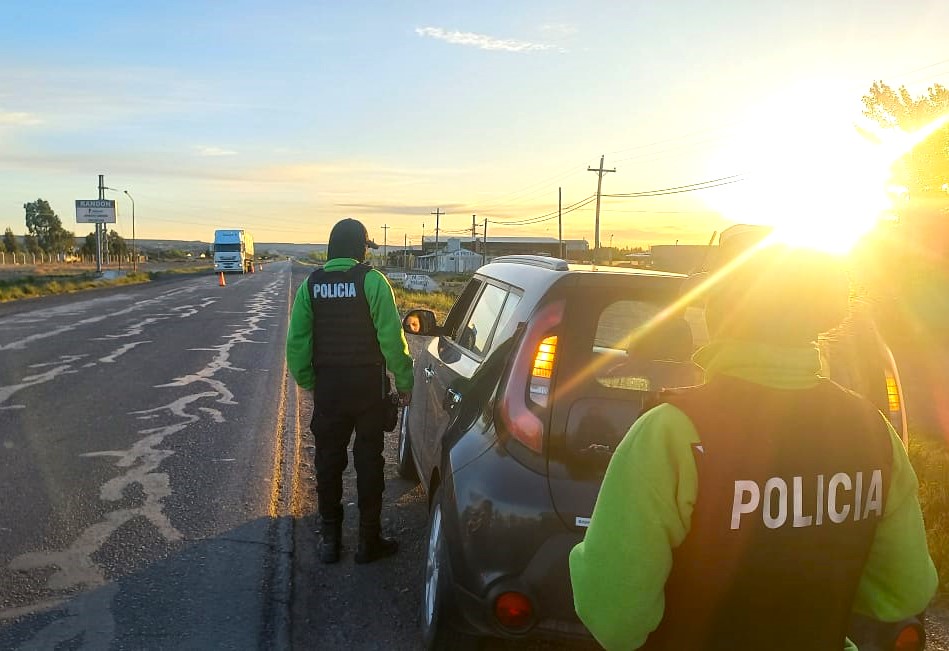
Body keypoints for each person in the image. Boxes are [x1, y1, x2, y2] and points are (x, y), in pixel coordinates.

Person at [569, 224, 938, 650]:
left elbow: (615, 620)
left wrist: (586, 556)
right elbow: (905, 591)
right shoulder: (874, 432)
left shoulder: (671, 433)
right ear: (820, 317)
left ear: (720, 312)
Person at [286, 218, 414, 564]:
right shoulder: (373, 281)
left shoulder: (311, 285)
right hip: (368, 391)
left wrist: (310, 383)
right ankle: (368, 541)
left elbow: (296, 344)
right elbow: (393, 340)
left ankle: (330, 541)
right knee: (369, 463)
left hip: (329, 389)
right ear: (360, 248)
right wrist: (405, 383)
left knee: (328, 463)